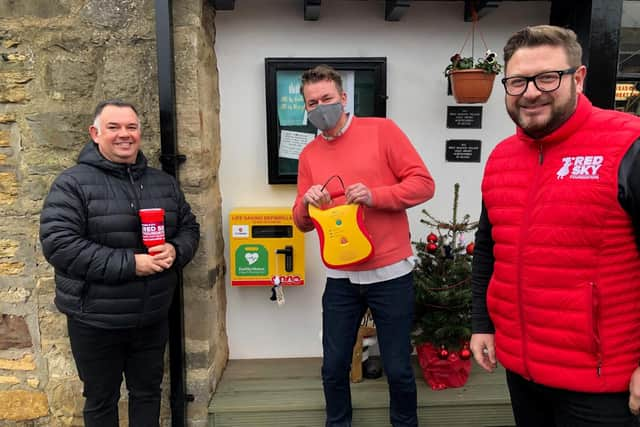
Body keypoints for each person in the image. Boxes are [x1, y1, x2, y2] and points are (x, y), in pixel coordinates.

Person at [470, 25, 640, 426]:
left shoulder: (628, 145)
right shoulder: (502, 157)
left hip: (603, 386)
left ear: (578, 78)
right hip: (523, 374)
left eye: (547, 77)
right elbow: (488, 248)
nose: (530, 92)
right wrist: (482, 325)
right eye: (517, 81)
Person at [39, 100, 200, 426]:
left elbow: (189, 228)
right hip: (95, 319)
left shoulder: (162, 183)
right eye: (114, 127)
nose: (124, 135)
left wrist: (176, 250)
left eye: (131, 127)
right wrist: (130, 264)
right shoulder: (72, 184)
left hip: (151, 316)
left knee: (148, 394)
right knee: (101, 401)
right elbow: (60, 245)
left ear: (140, 133)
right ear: (95, 133)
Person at [292, 64, 435, 427]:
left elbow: (423, 184)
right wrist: (306, 203)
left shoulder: (381, 131)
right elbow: (301, 221)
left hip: (390, 274)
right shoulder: (309, 155)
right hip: (340, 277)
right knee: (333, 366)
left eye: (326, 98)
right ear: (305, 109)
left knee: (400, 368)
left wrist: (376, 195)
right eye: (312, 103)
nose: (320, 107)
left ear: (343, 98)